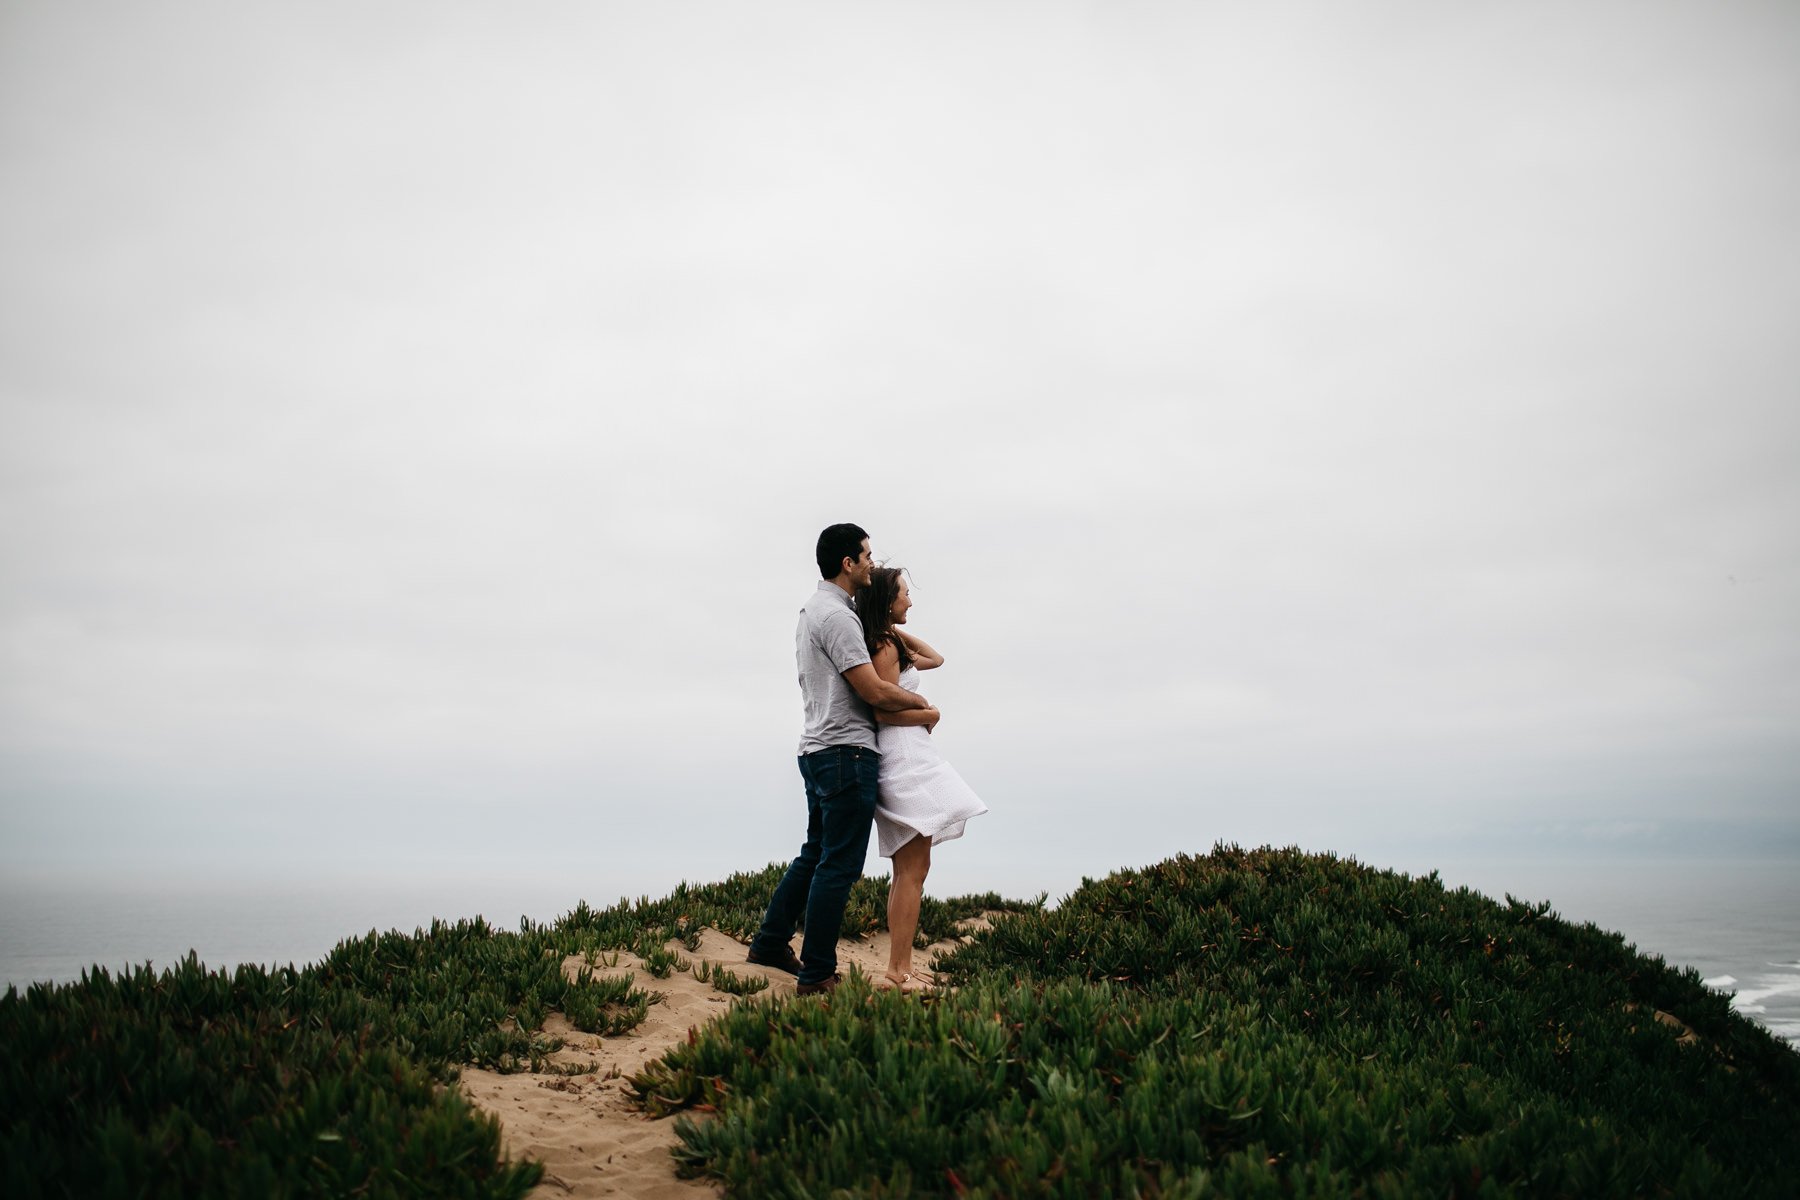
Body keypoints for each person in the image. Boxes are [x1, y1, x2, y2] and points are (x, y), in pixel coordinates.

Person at [747, 524, 933, 995]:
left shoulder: (818, 610)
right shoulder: (837, 618)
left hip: (818, 748)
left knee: (816, 853)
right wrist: (925, 709)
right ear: (848, 563)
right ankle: (816, 975)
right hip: (846, 752)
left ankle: (771, 941)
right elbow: (871, 690)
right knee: (840, 866)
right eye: (867, 555)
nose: (873, 562)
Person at [855, 567, 987, 991]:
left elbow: (935, 658)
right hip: (906, 760)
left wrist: (891, 626)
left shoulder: (887, 640)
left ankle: (901, 965)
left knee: (909, 870)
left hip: (909, 756)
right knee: (913, 870)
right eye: (904, 595)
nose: (910, 602)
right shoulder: (883, 647)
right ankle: (899, 970)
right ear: (887, 600)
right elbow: (881, 710)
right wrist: (929, 713)